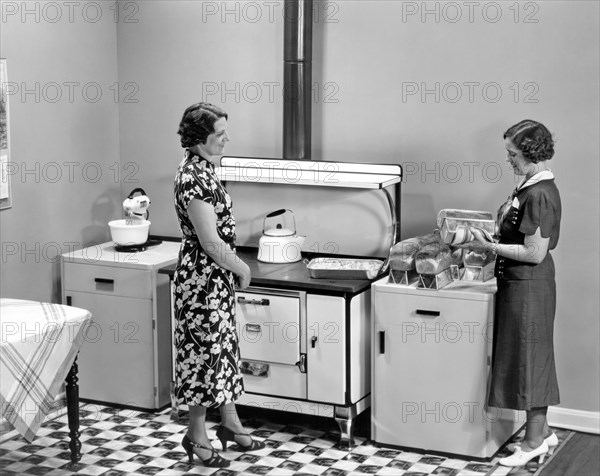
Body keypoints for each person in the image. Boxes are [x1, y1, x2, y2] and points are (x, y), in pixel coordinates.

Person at [461, 119, 561, 467]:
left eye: (513, 153)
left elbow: (535, 253)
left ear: (531, 153)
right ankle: (544, 431)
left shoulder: (540, 194)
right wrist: (493, 240)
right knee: (524, 357)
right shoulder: (526, 187)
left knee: (530, 361)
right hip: (518, 285)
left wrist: (489, 247)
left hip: (530, 287)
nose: (509, 160)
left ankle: (532, 441)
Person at [173, 102, 265, 468]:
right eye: (219, 134)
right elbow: (210, 242)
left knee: (222, 353)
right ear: (199, 139)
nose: (227, 139)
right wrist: (242, 267)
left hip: (214, 279)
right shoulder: (191, 179)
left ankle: (230, 422)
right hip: (201, 281)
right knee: (203, 358)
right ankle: (196, 433)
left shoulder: (206, 168)